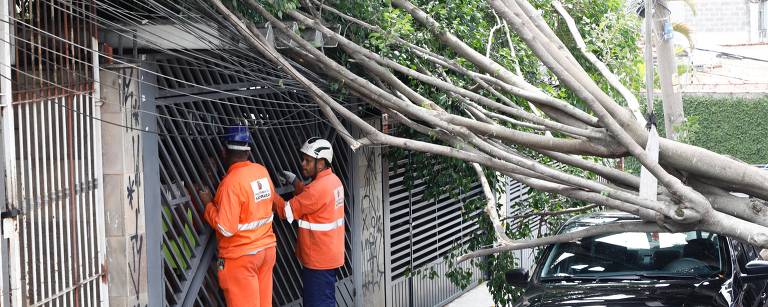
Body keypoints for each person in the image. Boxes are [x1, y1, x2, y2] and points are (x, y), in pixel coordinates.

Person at [199, 126, 279, 307]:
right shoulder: (262, 171)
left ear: (224, 152)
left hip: (242, 256)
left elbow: (226, 228)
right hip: (266, 251)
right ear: (249, 150)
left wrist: (208, 205)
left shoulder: (231, 183)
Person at [273, 137, 345, 307]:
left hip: (318, 260)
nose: (302, 164)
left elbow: (285, 211)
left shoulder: (317, 189)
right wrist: (295, 182)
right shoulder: (334, 181)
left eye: (307, 161)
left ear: (321, 163)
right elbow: (311, 201)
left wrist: (268, 190)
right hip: (329, 255)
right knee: (325, 300)